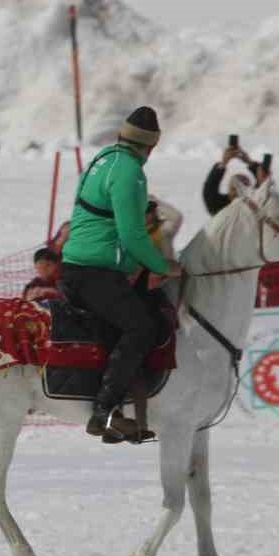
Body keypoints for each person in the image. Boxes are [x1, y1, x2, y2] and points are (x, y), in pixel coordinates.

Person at [60, 107, 181, 442]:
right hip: (95, 271)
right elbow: (132, 235)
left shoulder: (103, 158)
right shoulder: (130, 172)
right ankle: (106, 412)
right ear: (151, 147)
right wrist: (162, 266)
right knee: (142, 327)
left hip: (78, 266)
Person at [201, 142, 269, 215]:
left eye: (243, 187)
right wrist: (223, 164)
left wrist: (251, 163)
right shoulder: (219, 207)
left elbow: (265, 191)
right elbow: (209, 191)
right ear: (228, 191)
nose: (237, 192)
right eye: (234, 189)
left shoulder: (254, 207)